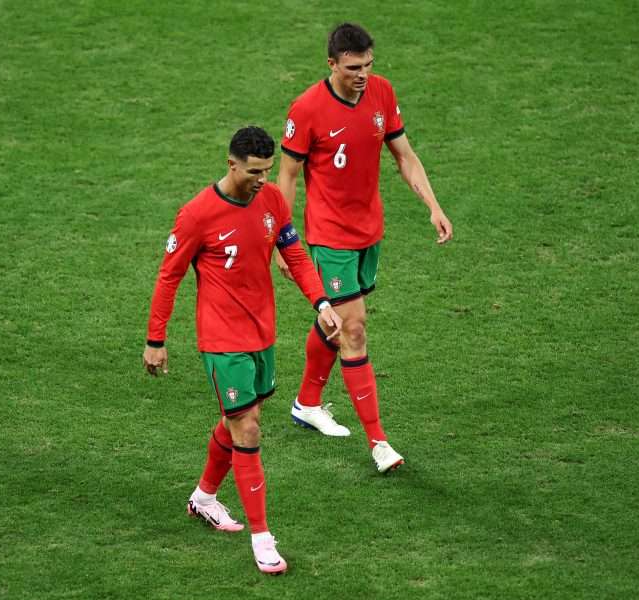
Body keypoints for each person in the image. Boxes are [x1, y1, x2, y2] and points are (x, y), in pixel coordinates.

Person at [143, 126, 342, 575]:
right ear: (231, 164)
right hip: (221, 339)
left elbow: (295, 255)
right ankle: (262, 539)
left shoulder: (272, 201)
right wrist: (156, 339)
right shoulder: (197, 214)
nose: (262, 180)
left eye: (267, 171)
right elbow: (169, 275)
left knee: (243, 419)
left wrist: (322, 302)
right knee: (248, 430)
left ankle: (204, 497)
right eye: (254, 172)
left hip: (262, 334)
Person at [275, 23, 453, 473]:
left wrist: (433, 205)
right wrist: (280, 238)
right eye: (353, 67)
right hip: (329, 236)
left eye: (368, 65)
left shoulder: (381, 93)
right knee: (353, 329)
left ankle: (307, 403)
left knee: (336, 322)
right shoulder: (307, 108)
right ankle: (379, 443)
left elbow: (404, 155)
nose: (363, 75)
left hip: (369, 232)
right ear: (331, 64)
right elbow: (288, 176)